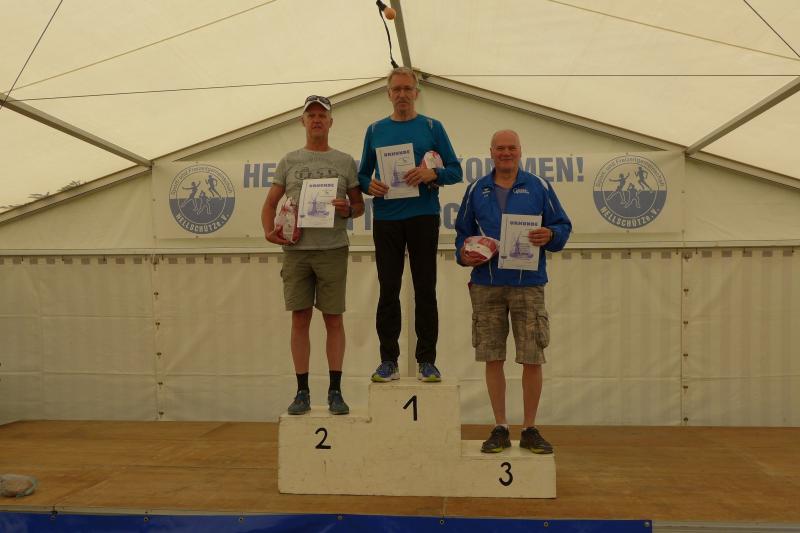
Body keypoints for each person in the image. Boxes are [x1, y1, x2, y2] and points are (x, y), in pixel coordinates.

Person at [454, 130, 571, 454]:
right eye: (500, 148)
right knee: (493, 356)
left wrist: (551, 235)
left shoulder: (539, 186)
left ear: (520, 151)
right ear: (491, 152)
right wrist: (463, 254)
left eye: (511, 148)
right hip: (486, 284)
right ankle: (500, 427)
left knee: (532, 357)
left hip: (528, 283)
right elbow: (462, 234)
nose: (506, 153)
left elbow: (562, 226)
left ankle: (530, 428)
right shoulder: (477, 189)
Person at [358, 67, 463, 383]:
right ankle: (388, 361)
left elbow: (455, 171)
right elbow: (362, 174)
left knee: (425, 289)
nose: (402, 94)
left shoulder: (432, 127)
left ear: (417, 92)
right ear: (388, 94)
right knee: (388, 290)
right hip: (387, 219)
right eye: (397, 89)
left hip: (423, 217)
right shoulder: (375, 130)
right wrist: (369, 185)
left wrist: (433, 174)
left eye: (407, 89)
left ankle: (427, 361)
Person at [261, 95, 364, 415]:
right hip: (296, 252)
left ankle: (335, 391)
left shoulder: (345, 161)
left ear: (331, 122)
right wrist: (268, 231)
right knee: (300, 318)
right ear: (302, 121)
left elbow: (359, 205)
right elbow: (270, 204)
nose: (317, 120)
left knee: (333, 318)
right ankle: (302, 391)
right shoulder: (289, 161)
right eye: (311, 115)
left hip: (333, 249)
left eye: (322, 115)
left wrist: (348, 209)